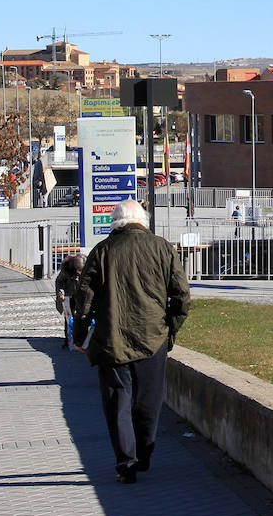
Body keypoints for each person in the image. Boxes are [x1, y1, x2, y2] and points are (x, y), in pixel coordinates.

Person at [74, 200, 191, 483]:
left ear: (115, 223)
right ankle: (145, 454)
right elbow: (182, 297)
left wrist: (79, 335)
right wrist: (170, 329)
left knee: (118, 403)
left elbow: (84, 300)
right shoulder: (163, 248)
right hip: (153, 338)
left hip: (112, 339)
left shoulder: (102, 251)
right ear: (144, 221)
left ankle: (126, 463)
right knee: (148, 401)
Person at [54, 253, 86, 350]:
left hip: (82, 295)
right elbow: (59, 282)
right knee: (69, 318)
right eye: (77, 272)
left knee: (82, 316)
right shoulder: (66, 269)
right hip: (68, 295)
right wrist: (61, 293)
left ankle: (81, 339)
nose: (79, 274)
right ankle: (68, 340)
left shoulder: (88, 267)